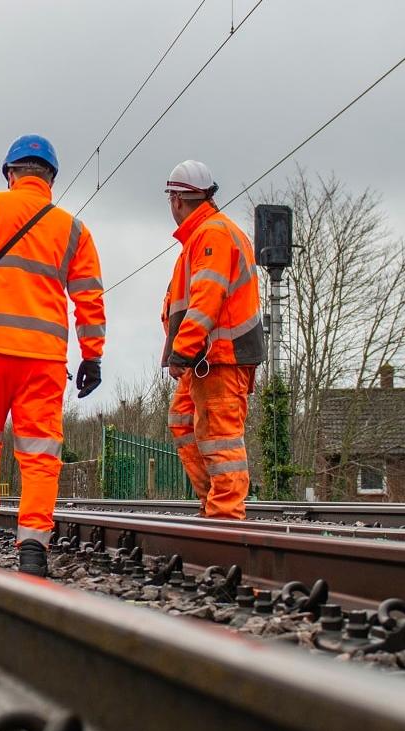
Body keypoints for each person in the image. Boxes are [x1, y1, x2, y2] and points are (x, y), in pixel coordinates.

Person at [0, 134, 105, 577]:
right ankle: (32, 549)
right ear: (50, 178)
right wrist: (92, 355)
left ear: (11, 173)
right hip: (44, 357)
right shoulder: (73, 229)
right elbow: (89, 297)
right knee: (40, 454)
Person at [159, 160, 264, 520]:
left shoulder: (212, 235)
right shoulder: (204, 235)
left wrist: (182, 350)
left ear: (176, 199)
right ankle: (213, 508)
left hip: (219, 357)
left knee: (221, 438)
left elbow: (206, 298)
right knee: (183, 420)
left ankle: (226, 519)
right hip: (208, 359)